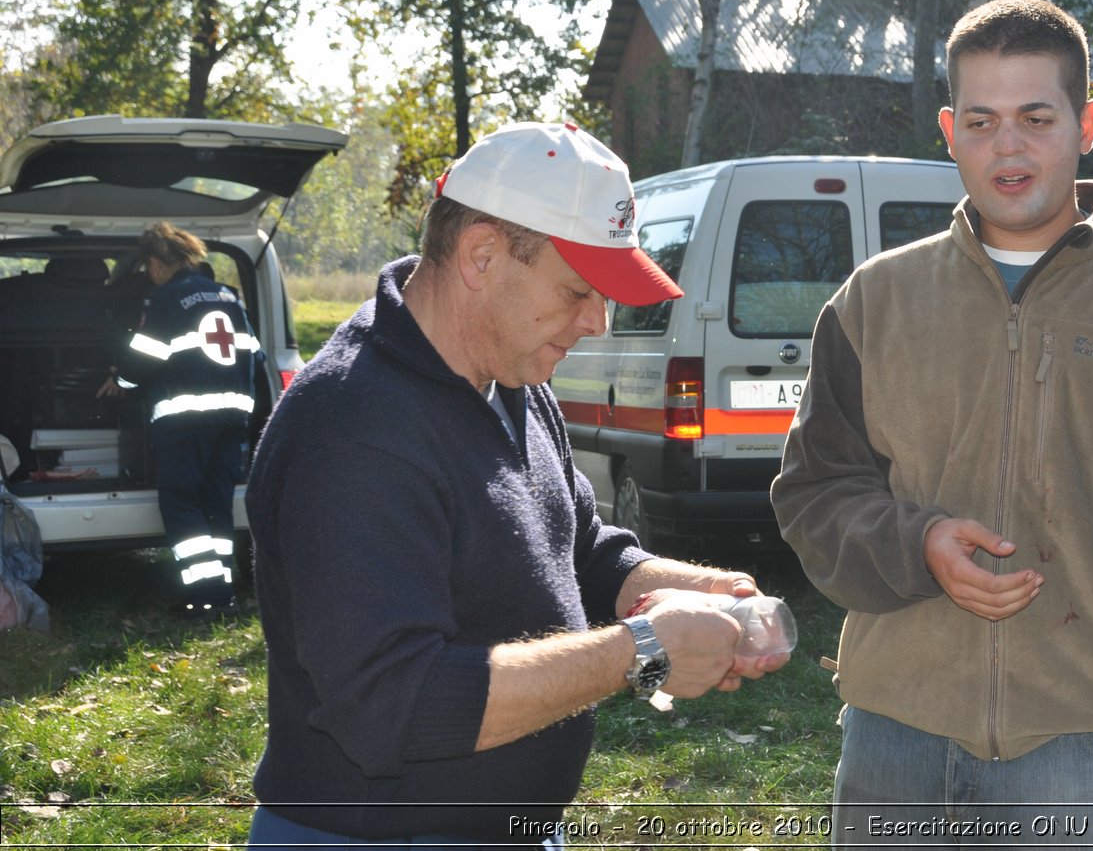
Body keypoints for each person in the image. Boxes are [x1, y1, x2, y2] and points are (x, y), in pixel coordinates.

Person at [770, 0, 1093, 847]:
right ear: (948, 128)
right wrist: (918, 544)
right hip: (894, 729)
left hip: (1085, 736)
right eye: (981, 120)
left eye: (1035, 117)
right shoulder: (875, 299)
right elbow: (813, 494)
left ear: (1086, 123)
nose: (1007, 145)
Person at [244, 122, 787, 847]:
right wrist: (645, 648)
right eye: (577, 290)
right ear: (482, 255)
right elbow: (395, 705)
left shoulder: (510, 376)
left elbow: (578, 549)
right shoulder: (354, 429)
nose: (595, 321)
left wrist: (701, 589)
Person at [100, 221, 258, 618]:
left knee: (181, 501)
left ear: (155, 263)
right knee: (216, 501)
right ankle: (222, 590)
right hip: (232, 416)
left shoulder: (165, 298)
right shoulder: (228, 295)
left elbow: (144, 359)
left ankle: (208, 598)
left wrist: (119, 380)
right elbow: (255, 354)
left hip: (186, 420)